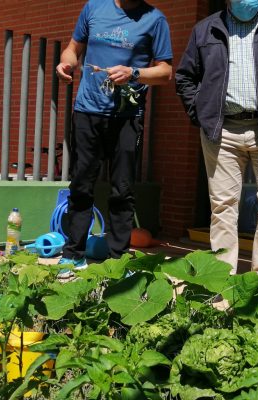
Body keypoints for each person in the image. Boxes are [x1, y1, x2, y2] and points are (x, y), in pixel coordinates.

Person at [175, 0, 258, 276]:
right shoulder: (206, 29)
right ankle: (221, 278)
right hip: (221, 131)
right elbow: (185, 77)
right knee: (223, 206)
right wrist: (201, 114)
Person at [55, 0, 173, 276]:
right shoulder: (94, 8)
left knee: (122, 188)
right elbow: (73, 49)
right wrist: (66, 64)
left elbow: (165, 72)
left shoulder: (156, 20)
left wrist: (134, 73)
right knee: (81, 183)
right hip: (87, 111)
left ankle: (118, 259)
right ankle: (73, 254)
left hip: (127, 116)